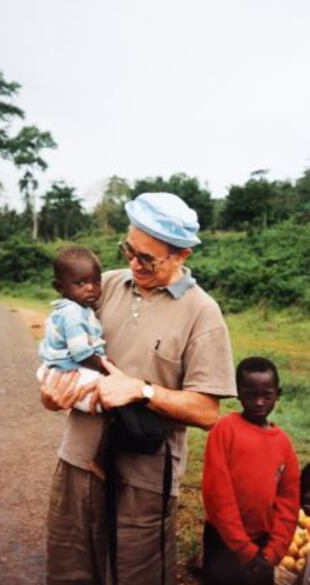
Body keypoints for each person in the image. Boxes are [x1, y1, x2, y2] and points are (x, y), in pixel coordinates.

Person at [40, 192, 237, 585]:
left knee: (137, 575)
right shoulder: (103, 286)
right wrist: (51, 395)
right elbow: (62, 355)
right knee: (69, 570)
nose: (133, 263)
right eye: (129, 249)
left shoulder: (203, 312)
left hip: (145, 478)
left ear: (182, 255)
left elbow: (207, 412)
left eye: (147, 258)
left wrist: (142, 390)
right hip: (79, 461)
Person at [202, 356, 300, 585]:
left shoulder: (283, 444)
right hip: (223, 541)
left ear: (278, 393)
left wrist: (273, 552)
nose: (259, 402)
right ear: (237, 393)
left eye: (266, 396)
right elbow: (218, 494)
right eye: (250, 395)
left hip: (264, 546)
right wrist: (243, 548)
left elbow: (288, 501)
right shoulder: (224, 430)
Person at [37, 246, 107, 413]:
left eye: (96, 282)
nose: (90, 288)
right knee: (107, 397)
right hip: (72, 368)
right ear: (59, 287)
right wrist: (105, 366)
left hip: (59, 367)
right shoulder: (73, 313)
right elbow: (80, 352)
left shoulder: (75, 308)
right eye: (80, 283)